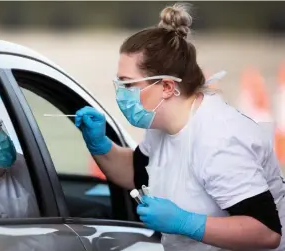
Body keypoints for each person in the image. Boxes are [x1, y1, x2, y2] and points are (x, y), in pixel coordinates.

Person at [75, 3, 285, 251]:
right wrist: (99, 145)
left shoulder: (219, 139)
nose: (121, 94)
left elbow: (267, 232)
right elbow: (136, 173)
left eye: (128, 85)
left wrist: (186, 223)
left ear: (166, 87)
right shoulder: (159, 124)